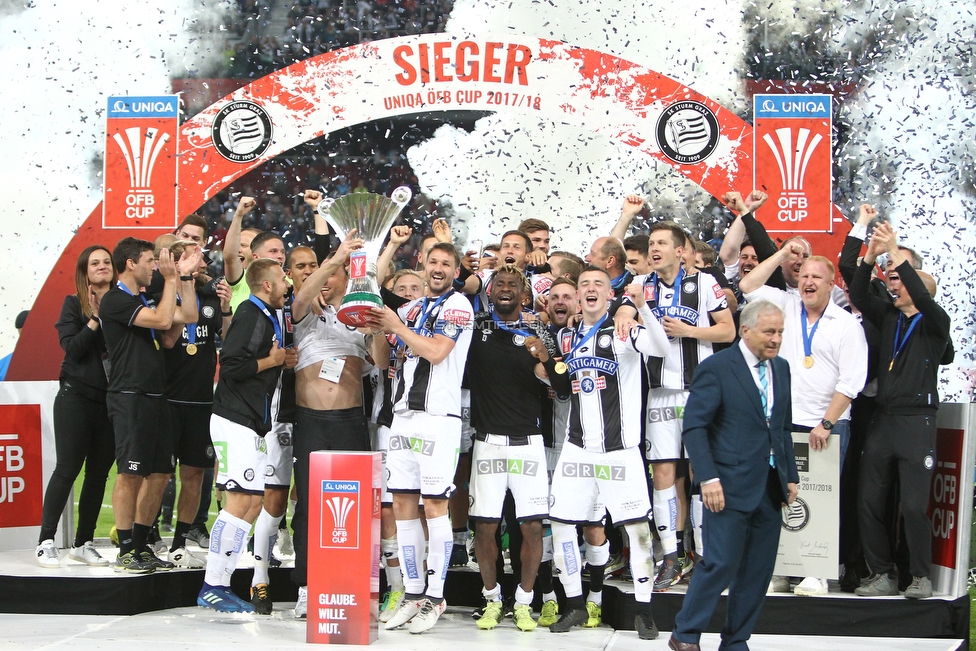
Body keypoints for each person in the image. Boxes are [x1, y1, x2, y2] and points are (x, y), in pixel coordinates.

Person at [545, 266, 670, 638]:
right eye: (584, 285)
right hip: (578, 447)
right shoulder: (567, 336)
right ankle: (575, 605)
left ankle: (645, 610)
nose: (590, 289)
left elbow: (661, 348)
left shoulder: (622, 329)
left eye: (598, 283)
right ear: (578, 297)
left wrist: (640, 308)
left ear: (609, 294)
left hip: (620, 449)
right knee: (563, 523)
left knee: (636, 529)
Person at [739, 242, 868, 596]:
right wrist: (783, 256)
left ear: (831, 285)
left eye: (817, 277)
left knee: (820, 497)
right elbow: (748, 287)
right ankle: (782, 567)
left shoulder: (845, 324)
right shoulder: (785, 304)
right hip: (783, 422)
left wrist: (826, 423)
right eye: (805, 275)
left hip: (827, 424)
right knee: (781, 496)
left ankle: (816, 572)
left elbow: (851, 380)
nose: (809, 281)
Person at [668, 300, 799, 651]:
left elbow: (782, 427)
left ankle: (736, 641)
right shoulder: (717, 368)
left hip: (770, 487)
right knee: (721, 563)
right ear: (745, 330)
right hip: (725, 485)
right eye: (769, 332)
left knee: (757, 573)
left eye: (781, 332)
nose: (776, 339)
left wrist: (790, 474)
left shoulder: (782, 368)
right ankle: (685, 635)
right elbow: (695, 428)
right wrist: (708, 479)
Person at [370, 242, 474, 634]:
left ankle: (436, 594)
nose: (439, 268)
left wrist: (395, 326)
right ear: (423, 264)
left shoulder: (458, 306)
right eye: (433, 261)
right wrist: (379, 327)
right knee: (402, 506)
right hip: (403, 417)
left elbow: (436, 352)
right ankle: (413, 595)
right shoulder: (410, 309)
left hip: (438, 418)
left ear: (453, 270)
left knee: (434, 506)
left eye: (447, 264)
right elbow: (383, 360)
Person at [850, 223, 951, 600]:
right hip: (883, 419)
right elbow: (860, 292)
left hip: (916, 421)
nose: (894, 286)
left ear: (921, 292)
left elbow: (923, 299)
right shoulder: (891, 317)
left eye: (901, 282)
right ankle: (881, 574)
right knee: (868, 501)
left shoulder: (936, 324)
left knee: (912, 505)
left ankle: (920, 577)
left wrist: (895, 251)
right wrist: (872, 256)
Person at [635, 221, 735, 590]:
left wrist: (689, 331)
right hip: (659, 392)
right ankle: (671, 557)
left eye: (662, 242)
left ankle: (706, 557)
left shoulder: (705, 283)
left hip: (699, 392)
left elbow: (728, 330)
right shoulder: (641, 287)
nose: (654, 248)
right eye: (651, 243)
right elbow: (624, 322)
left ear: (681, 250)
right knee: (663, 475)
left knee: (700, 472)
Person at [100, 237, 200, 573]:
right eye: (148, 261)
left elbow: (188, 315)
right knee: (130, 473)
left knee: (159, 474)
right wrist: (171, 279)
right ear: (130, 263)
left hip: (157, 396)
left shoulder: (144, 298)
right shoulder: (115, 300)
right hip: (130, 395)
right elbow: (161, 322)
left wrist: (184, 278)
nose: (154, 267)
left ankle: (141, 545)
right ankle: (126, 547)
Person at [466, 265, 557, 632]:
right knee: (485, 528)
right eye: (499, 284)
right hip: (487, 443)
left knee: (532, 527)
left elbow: (561, 387)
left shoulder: (541, 332)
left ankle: (523, 601)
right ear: (490, 293)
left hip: (529, 444)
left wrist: (546, 360)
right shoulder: (476, 329)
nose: (505, 289)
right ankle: (491, 599)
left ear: (524, 295)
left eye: (513, 285)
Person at [198, 258, 289, 612]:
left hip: (248, 421)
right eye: (282, 279)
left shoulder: (263, 314)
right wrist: (273, 361)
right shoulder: (251, 314)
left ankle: (221, 581)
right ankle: (212, 584)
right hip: (234, 419)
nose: (287, 284)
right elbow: (233, 366)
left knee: (251, 502)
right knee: (239, 502)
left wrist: (279, 360)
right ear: (267, 285)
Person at [289, 234, 372, 618]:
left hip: (351, 423)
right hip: (312, 424)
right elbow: (301, 298)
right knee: (308, 507)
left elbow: (380, 358)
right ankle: (306, 585)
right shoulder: (306, 316)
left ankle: (348, 584)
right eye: (311, 271)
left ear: (345, 278)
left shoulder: (359, 318)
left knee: (352, 509)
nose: (321, 278)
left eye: (331, 273)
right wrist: (335, 256)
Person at [34, 247, 117, 568]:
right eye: (94, 263)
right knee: (67, 468)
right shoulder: (74, 304)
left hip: (111, 401)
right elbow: (73, 349)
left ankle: (83, 542)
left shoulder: (124, 304)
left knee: (98, 475)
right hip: (76, 396)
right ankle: (45, 540)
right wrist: (95, 319)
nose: (101, 267)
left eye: (106, 262)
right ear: (85, 272)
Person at [158, 240, 231, 569]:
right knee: (157, 475)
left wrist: (227, 310)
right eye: (192, 259)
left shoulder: (212, 297)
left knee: (193, 475)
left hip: (202, 400)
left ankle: (179, 543)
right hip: (166, 399)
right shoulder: (163, 295)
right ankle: (144, 538)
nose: (202, 264)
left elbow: (229, 343)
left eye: (201, 258)